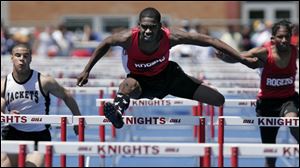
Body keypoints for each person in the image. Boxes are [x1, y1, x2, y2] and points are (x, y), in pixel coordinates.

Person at [77, 7, 256, 129]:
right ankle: (117, 112)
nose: (148, 32)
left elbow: (210, 41)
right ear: (138, 26)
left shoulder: (171, 37)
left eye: (152, 28)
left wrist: (239, 57)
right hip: (141, 82)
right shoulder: (127, 39)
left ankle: (191, 82)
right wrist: (87, 70)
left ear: (160, 27)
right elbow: (105, 43)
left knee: (218, 100)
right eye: (144, 27)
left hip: (170, 77)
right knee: (126, 86)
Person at [216, 20, 299, 167]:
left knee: (293, 121)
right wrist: (224, 56)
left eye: (287, 36)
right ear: (273, 38)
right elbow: (239, 57)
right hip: (267, 104)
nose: (284, 40)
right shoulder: (263, 52)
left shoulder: (295, 51)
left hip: (289, 99)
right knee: (270, 154)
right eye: (280, 37)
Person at [1, 43, 82, 167]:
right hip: (13, 133)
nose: (22, 59)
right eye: (18, 55)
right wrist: (6, 114)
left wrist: (77, 118)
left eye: (25, 56)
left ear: (31, 58)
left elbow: (66, 95)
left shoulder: (44, 81)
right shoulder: (4, 83)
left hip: (38, 135)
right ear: (12, 58)